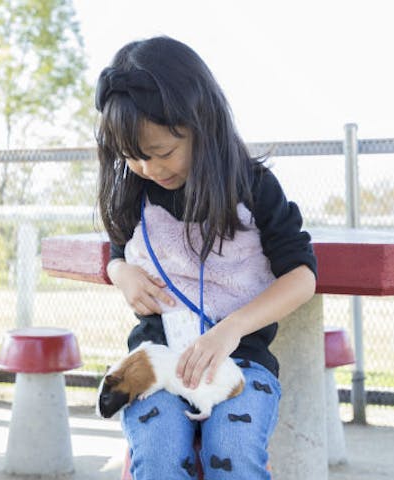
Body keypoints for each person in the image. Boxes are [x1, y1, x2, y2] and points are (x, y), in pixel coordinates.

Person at [94, 36, 318, 479]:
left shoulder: (252, 188)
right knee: (157, 457)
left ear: (202, 123)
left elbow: (301, 276)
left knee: (232, 455)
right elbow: (120, 251)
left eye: (163, 153)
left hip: (239, 361)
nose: (151, 170)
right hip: (154, 361)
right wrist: (120, 273)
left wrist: (229, 331)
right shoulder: (134, 192)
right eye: (133, 158)